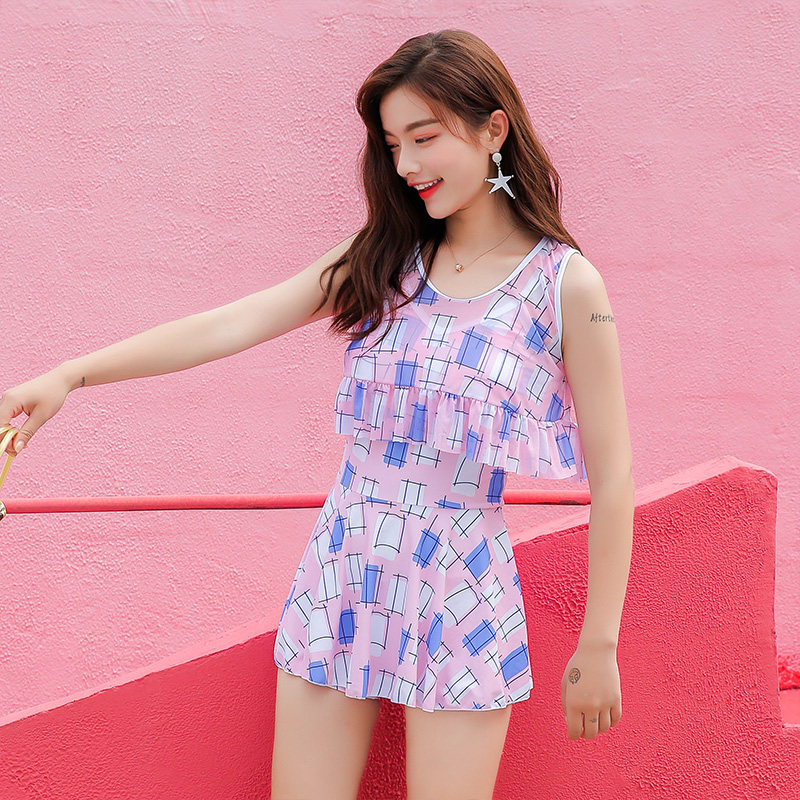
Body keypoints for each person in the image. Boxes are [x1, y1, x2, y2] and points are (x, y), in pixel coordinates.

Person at [0, 28, 633, 800]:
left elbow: (614, 474)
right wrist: (72, 375)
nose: (406, 166)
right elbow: (233, 323)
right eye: (393, 146)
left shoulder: (568, 287)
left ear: (493, 129)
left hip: (461, 585)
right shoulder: (384, 258)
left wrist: (599, 642)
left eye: (424, 138)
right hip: (343, 567)